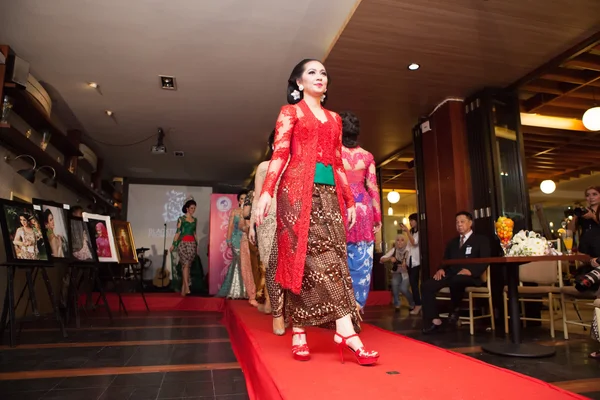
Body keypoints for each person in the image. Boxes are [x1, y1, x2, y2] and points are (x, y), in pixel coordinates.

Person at [255, 59, 378, 365]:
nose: (319, 77)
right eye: (312, 72)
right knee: (303, 260)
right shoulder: (291, 112)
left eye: (323, 73)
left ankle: (311, 331)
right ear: (298, 83)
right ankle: (339, 331)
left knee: (333, 259)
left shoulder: (335, 119)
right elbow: (280, 153)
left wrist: (349, 201)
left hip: (329, 197)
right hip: (296, 194)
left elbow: (337, 163)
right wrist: (267, 192)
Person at [421, 211, 490, 334]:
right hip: (451, 274)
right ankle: (434, 320)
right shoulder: (452, 243)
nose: (459, 225)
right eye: (457, 222)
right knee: (427, 285)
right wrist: (441, 268)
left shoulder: (481, 240)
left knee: (457, 280)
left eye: (462, 222)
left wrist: (471, 271)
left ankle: (453, 311)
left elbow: (485, 260)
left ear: (470, 223)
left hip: (471, 276)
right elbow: (445, 260)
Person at [340, 111, 381, 312]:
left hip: (340, 205)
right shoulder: (367, 156)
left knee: (338, 257)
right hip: (363, 208)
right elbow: (372, 187)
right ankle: (357, 306)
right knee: (362, 258)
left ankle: (339, 309)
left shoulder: (333, 153)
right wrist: (377, 216)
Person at [250, 130, 287, 335]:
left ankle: (287, 310)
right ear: (273, 145)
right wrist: (253, 225)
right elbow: (257, 197)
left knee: (289, 268)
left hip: (290, 221)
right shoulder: (264, 167)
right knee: (272, 266)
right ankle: (277, 316)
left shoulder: (294, 166)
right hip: (268, 220)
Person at [217, 191, 250, 299]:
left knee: (246, 264)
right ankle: (237, 290)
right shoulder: (234, 212)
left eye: (245, 198)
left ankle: (246, 291)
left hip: (246, 239)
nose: (243, 200)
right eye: (241, 198)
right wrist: (228, 240)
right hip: (236, 240)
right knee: (238, 263)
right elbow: (230, 226)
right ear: (238, 200)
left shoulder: (249, 212)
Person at [170, 198, 198, 296]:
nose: (193, 210)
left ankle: (183, 290)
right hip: (182, 243)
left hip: (192, 244)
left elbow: (194, 233)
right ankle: (187, 286)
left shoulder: (195, 220)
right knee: (185, 264)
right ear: (187, 208)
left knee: (187, 266)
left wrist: (197, 245)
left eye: (194, 208)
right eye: (191, 208)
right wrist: (174, 244)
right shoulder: (181, 219)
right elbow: (178, 232)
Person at [380, 234, 415, 312]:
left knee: (403, 288)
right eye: (398, 240)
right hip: (397, 272)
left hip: (407, 273)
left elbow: (414, 261)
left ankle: (412, 303)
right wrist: (390, 258)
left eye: (402, 240)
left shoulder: (409, 249)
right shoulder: (394, 250)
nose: (399, 242)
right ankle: (397, 304)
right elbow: (382, 259)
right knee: (394, 284)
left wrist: (406, 263)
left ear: (405, 241)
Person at [240, 190, 258, 307]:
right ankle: (252, 296)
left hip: (259, 239)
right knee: (248, 268)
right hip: (247, 240)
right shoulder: (244, 210)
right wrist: (249, 228)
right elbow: (241, 225)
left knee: (259, 268)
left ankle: (261, 295)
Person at [402, 213, 422, 315]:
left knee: (415, 284)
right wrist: (404, 259)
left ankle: (418, 305)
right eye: (410, 220)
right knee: (412, 284)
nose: (410, 222)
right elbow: (408, 248)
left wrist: (407, 232)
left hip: (416, 261)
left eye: (412, 220)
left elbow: (414, 243)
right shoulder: (411, 232)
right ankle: (417, 304)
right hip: (409, 261)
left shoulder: (419, 232)